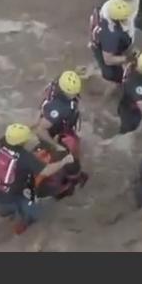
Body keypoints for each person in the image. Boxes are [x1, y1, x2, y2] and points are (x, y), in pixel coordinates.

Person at [0, 123, 74, 234]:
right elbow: (47, 171)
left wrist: (37, 125)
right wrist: (65, 161)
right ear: (21, 142)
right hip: (14, 196)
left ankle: (5, 212)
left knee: (5, 209)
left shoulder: (2, 143)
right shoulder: (24, 157)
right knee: (36, 212)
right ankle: (24, 222)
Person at [32, 70, 88, 201]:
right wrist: (56, 146)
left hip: (63, 124)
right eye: (72, 92)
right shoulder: (58, 108)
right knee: (69, 158)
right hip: (56, 133)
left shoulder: (59, 82)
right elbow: (41, 129)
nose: (75, 94)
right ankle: (67, 185)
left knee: (69, 154)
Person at [89, 0, 135, 87]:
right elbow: (108, 60)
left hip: (101, 37)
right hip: (104, 47)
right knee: (111, 74)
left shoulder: (105, 10)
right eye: (126, 17)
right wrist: (127, 59)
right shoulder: (112, 35)